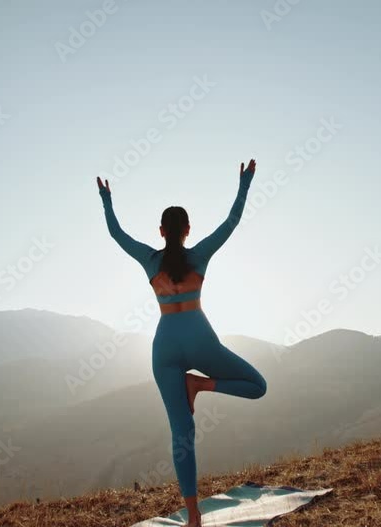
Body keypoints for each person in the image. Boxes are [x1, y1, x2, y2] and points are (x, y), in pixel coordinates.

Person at [96, 159, 267, 527]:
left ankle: (193, 517)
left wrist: (106, 200)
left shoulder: (149, 259)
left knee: (182, 436)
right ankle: (201, 385)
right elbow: (231, 222)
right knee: (257, 386)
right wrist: (244, 185)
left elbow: (116, 234)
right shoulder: (199, 255)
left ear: (161, 231)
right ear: (188, 230)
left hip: (165, 349)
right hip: (201, 341)